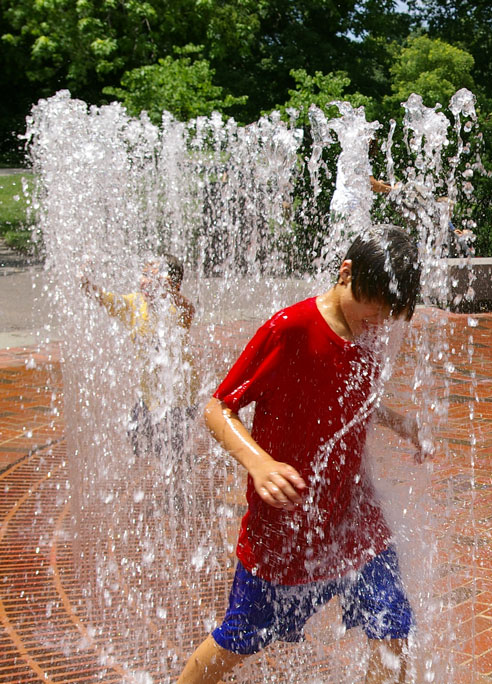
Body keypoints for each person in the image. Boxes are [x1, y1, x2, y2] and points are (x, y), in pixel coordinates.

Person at [177, 225, 427, 684]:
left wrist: (401, 423)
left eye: (386, 319)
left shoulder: (366, 336)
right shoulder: (289, 329)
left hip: (352, 517)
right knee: (241, 637)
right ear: (345, 273)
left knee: (392, 625)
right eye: (372, 314)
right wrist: (259, 463)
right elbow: (218, 408)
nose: (376, 327)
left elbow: (354, 398)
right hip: (287, 525)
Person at [80, 254, 198, 462]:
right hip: (150, 394)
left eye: (155, 276)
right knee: (136, 437)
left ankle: (179, 472)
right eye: (145, 274)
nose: (146, 281)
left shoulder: (177, 308)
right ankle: (177, 461)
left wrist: (169, 294)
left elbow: (190, 310)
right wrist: (84, 280)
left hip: (179, 397)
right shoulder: (133, 304)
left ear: (174, 285)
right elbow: (102, 297)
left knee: (169, 451)